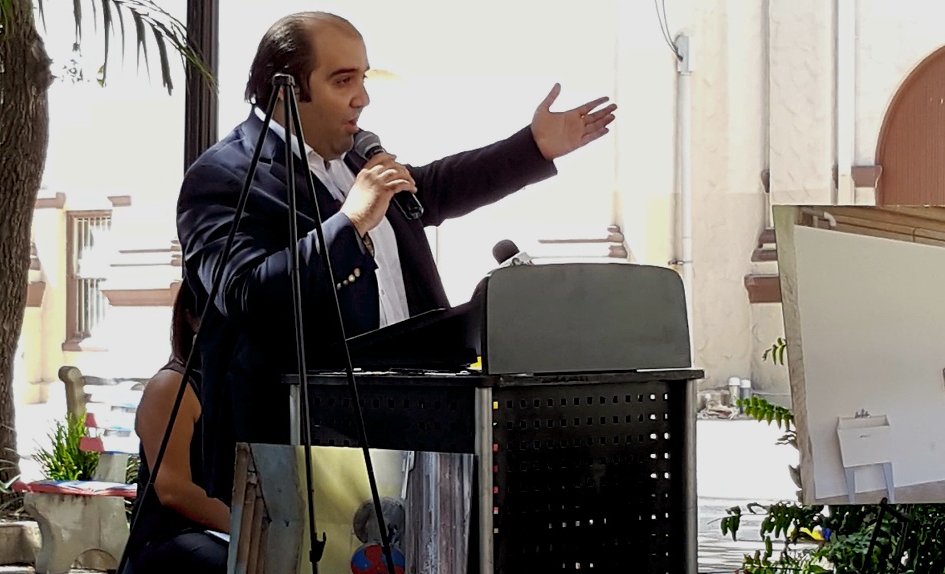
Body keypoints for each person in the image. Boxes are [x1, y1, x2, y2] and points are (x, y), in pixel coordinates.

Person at [176, 11, 617, 505]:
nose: (362, 98)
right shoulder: (224, 176)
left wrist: (533, 148)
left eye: (363, 78)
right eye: (343, 80)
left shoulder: (353, 164)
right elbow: (246, 294)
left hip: (412, 430)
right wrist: (349, 224)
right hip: (296, 452)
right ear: (286, 90)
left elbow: (436, 188)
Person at [123, 280, 230, 574]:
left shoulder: (231, 387)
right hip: (166, 540)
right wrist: (249, 527)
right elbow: (173, 489)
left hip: (215, 534)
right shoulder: (172, 387)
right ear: (192, 318)